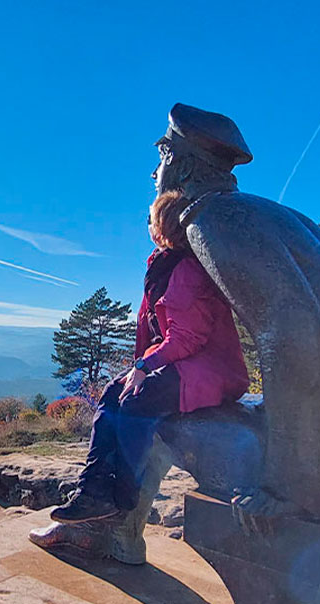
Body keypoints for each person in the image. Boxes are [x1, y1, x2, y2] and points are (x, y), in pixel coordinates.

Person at [51, 190, 250, 523]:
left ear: (162, 227)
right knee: (113, 393)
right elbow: (153, 335)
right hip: (182, 363)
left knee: (136, 402)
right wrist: (136, 369)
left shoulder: (186, 270)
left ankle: (123, 496)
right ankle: (92, 491)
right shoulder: (161, 267)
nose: (147, 224)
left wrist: (144, 366)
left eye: (150, 218)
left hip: (211, 371)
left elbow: (188, 338)